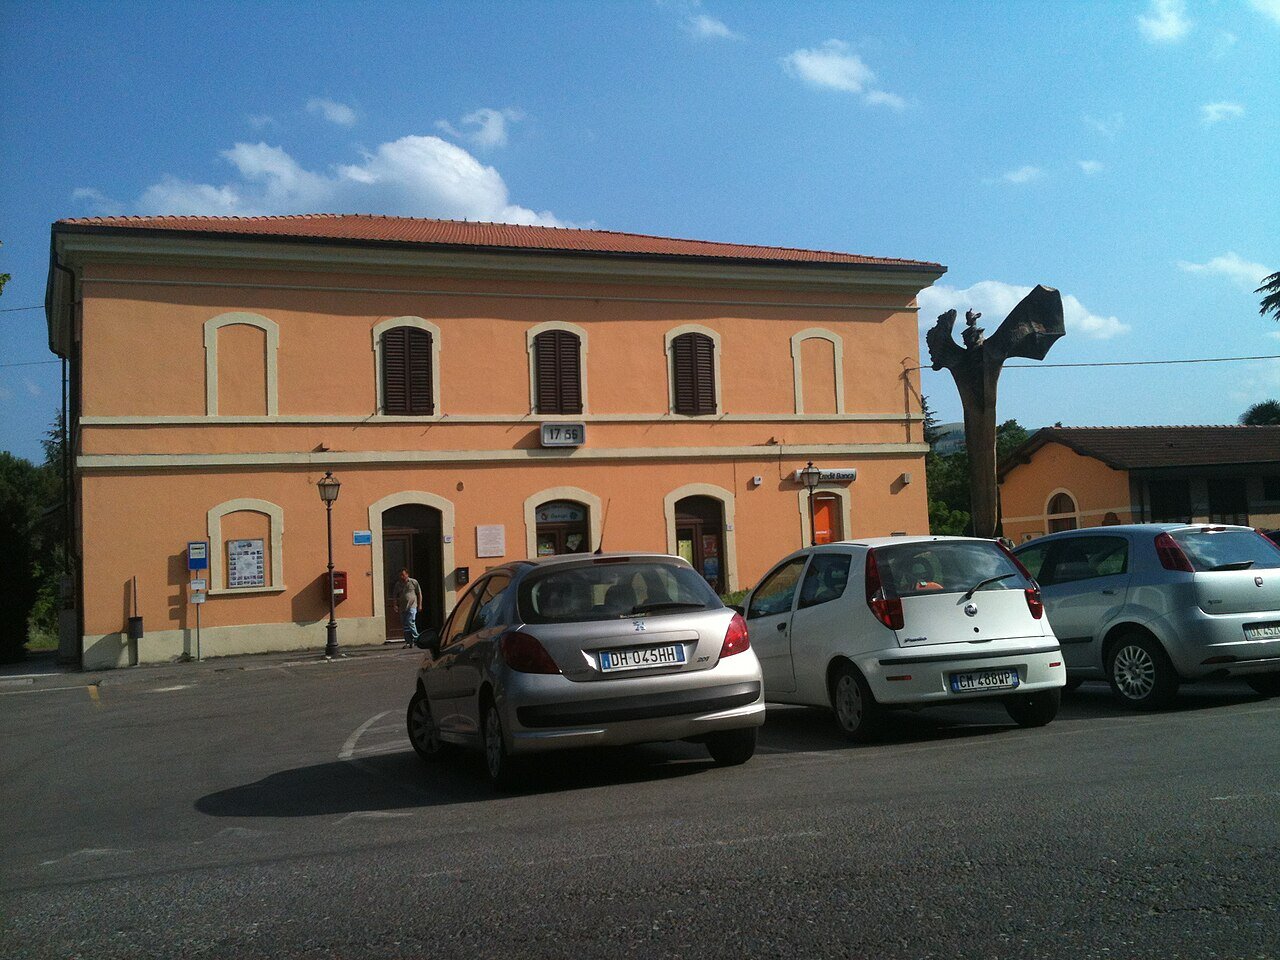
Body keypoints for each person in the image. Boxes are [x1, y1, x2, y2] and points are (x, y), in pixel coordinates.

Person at [391, 568, 424, 648]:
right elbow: (395, 595)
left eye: (403, 574)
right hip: (402, 607)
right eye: (400, 575)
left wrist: (420, 605)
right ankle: (409, 642)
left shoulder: (413, 582)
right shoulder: (398, 584)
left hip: (412, 606)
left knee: (410, 621)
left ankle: (418, 639)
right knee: (405, 626)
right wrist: (395, 605)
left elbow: (419, 593)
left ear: (407, 574)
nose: (402, 576)